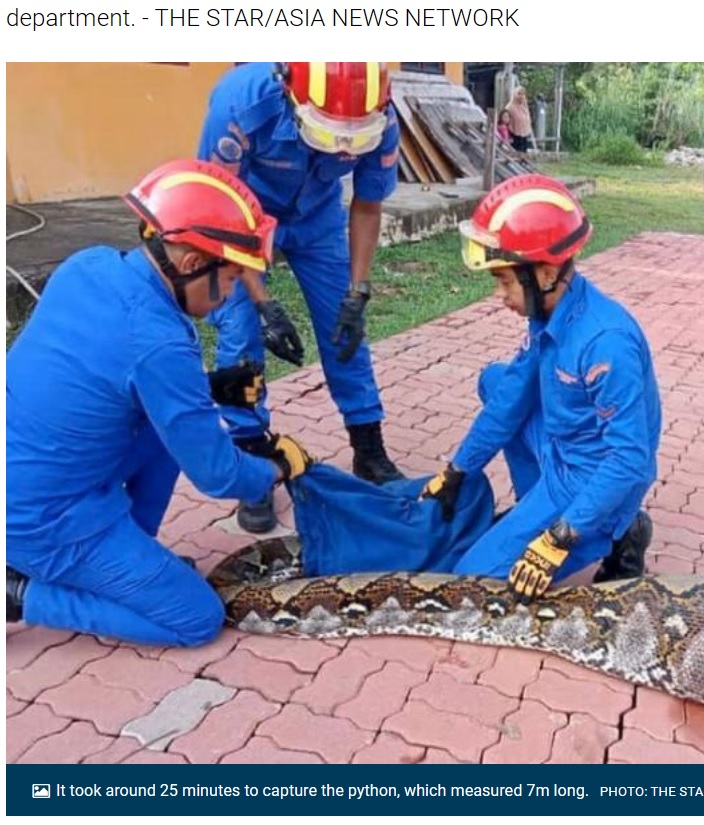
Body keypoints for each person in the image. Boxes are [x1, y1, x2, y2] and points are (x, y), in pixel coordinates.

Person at [5, 159, 313, 647]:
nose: (231, 294)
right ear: (191, 264)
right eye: (232, 280)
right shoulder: (160, 342)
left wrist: (213, 387)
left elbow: (101, 376)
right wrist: (277, 467)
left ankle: (128, 559)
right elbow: (217, 475)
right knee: (195, 620)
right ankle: (20, 595)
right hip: (43, 519)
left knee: (162, 431)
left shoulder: (90, 264)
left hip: (25, 476)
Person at [420, 174, 660, 603]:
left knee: (471, 581)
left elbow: (630, 459)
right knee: (496, 382)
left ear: (546, 273)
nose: (499, 295)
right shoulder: (547, 315)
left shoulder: (606, 345)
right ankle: (537, 508)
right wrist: (458, 470)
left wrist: (560, 536)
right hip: (562, 449)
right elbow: (511, 395)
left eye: (506, 281)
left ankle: (617, 532)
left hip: (590, 477)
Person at [198, 61, 406, 535]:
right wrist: (262, 302)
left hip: (317, 219)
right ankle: (252, 464)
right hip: (242, 219)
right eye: (328, 132)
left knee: (345, 329)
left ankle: (369, 449)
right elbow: (220, 209)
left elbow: (368, 204)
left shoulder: (383, 116)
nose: (340, 144)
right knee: (240, 335)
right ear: (292, 94)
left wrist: (358, 292)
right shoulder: (238, 107)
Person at [505, 87, 535, 156]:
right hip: (514, 135)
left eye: (523, 94)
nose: (521, 96)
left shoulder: (524, 106)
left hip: (525, 134)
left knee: (524, 153)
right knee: (517, 153)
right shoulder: (510, 107)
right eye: (519, 94)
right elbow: (505, 120)